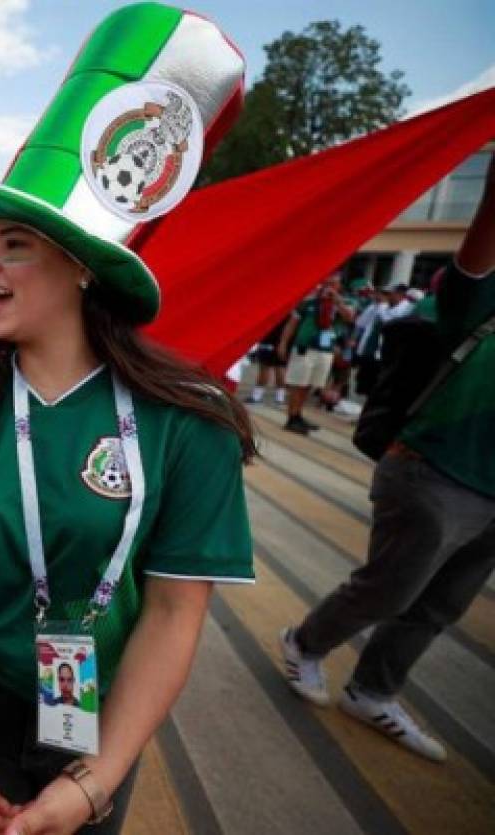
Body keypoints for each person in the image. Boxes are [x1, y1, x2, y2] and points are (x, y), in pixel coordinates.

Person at [0, 15, 252, 830]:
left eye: (13, 243)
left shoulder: (186, 423)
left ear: (84, 266)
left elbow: (172, 611)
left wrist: (97, 780)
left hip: (97, 723)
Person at [280, 157, 495, 763]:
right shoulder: (481, 293)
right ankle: (304, 643)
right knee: (391, 589)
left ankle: (373, 690)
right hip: (434, 467)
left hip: (489, 492)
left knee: (441, 604)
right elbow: (476, 252)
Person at [276, 274, 356, 433]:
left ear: (339, 286)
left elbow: (349, 317)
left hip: (325, 350)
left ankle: (298, 414)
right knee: (298, 383)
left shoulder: (344, 302)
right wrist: (283, 343)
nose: (329, 286)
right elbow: (292, 324)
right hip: (305, 348)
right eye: (327, 283)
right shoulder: (309, 302)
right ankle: (292, 417)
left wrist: (337, 301)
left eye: (334, 283)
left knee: (311, 384)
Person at [246, 320, 287, 405]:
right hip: (283, 340)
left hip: (270, 338)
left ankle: (256, 396)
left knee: (265, 367)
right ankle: (280, 397)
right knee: (279, 367)